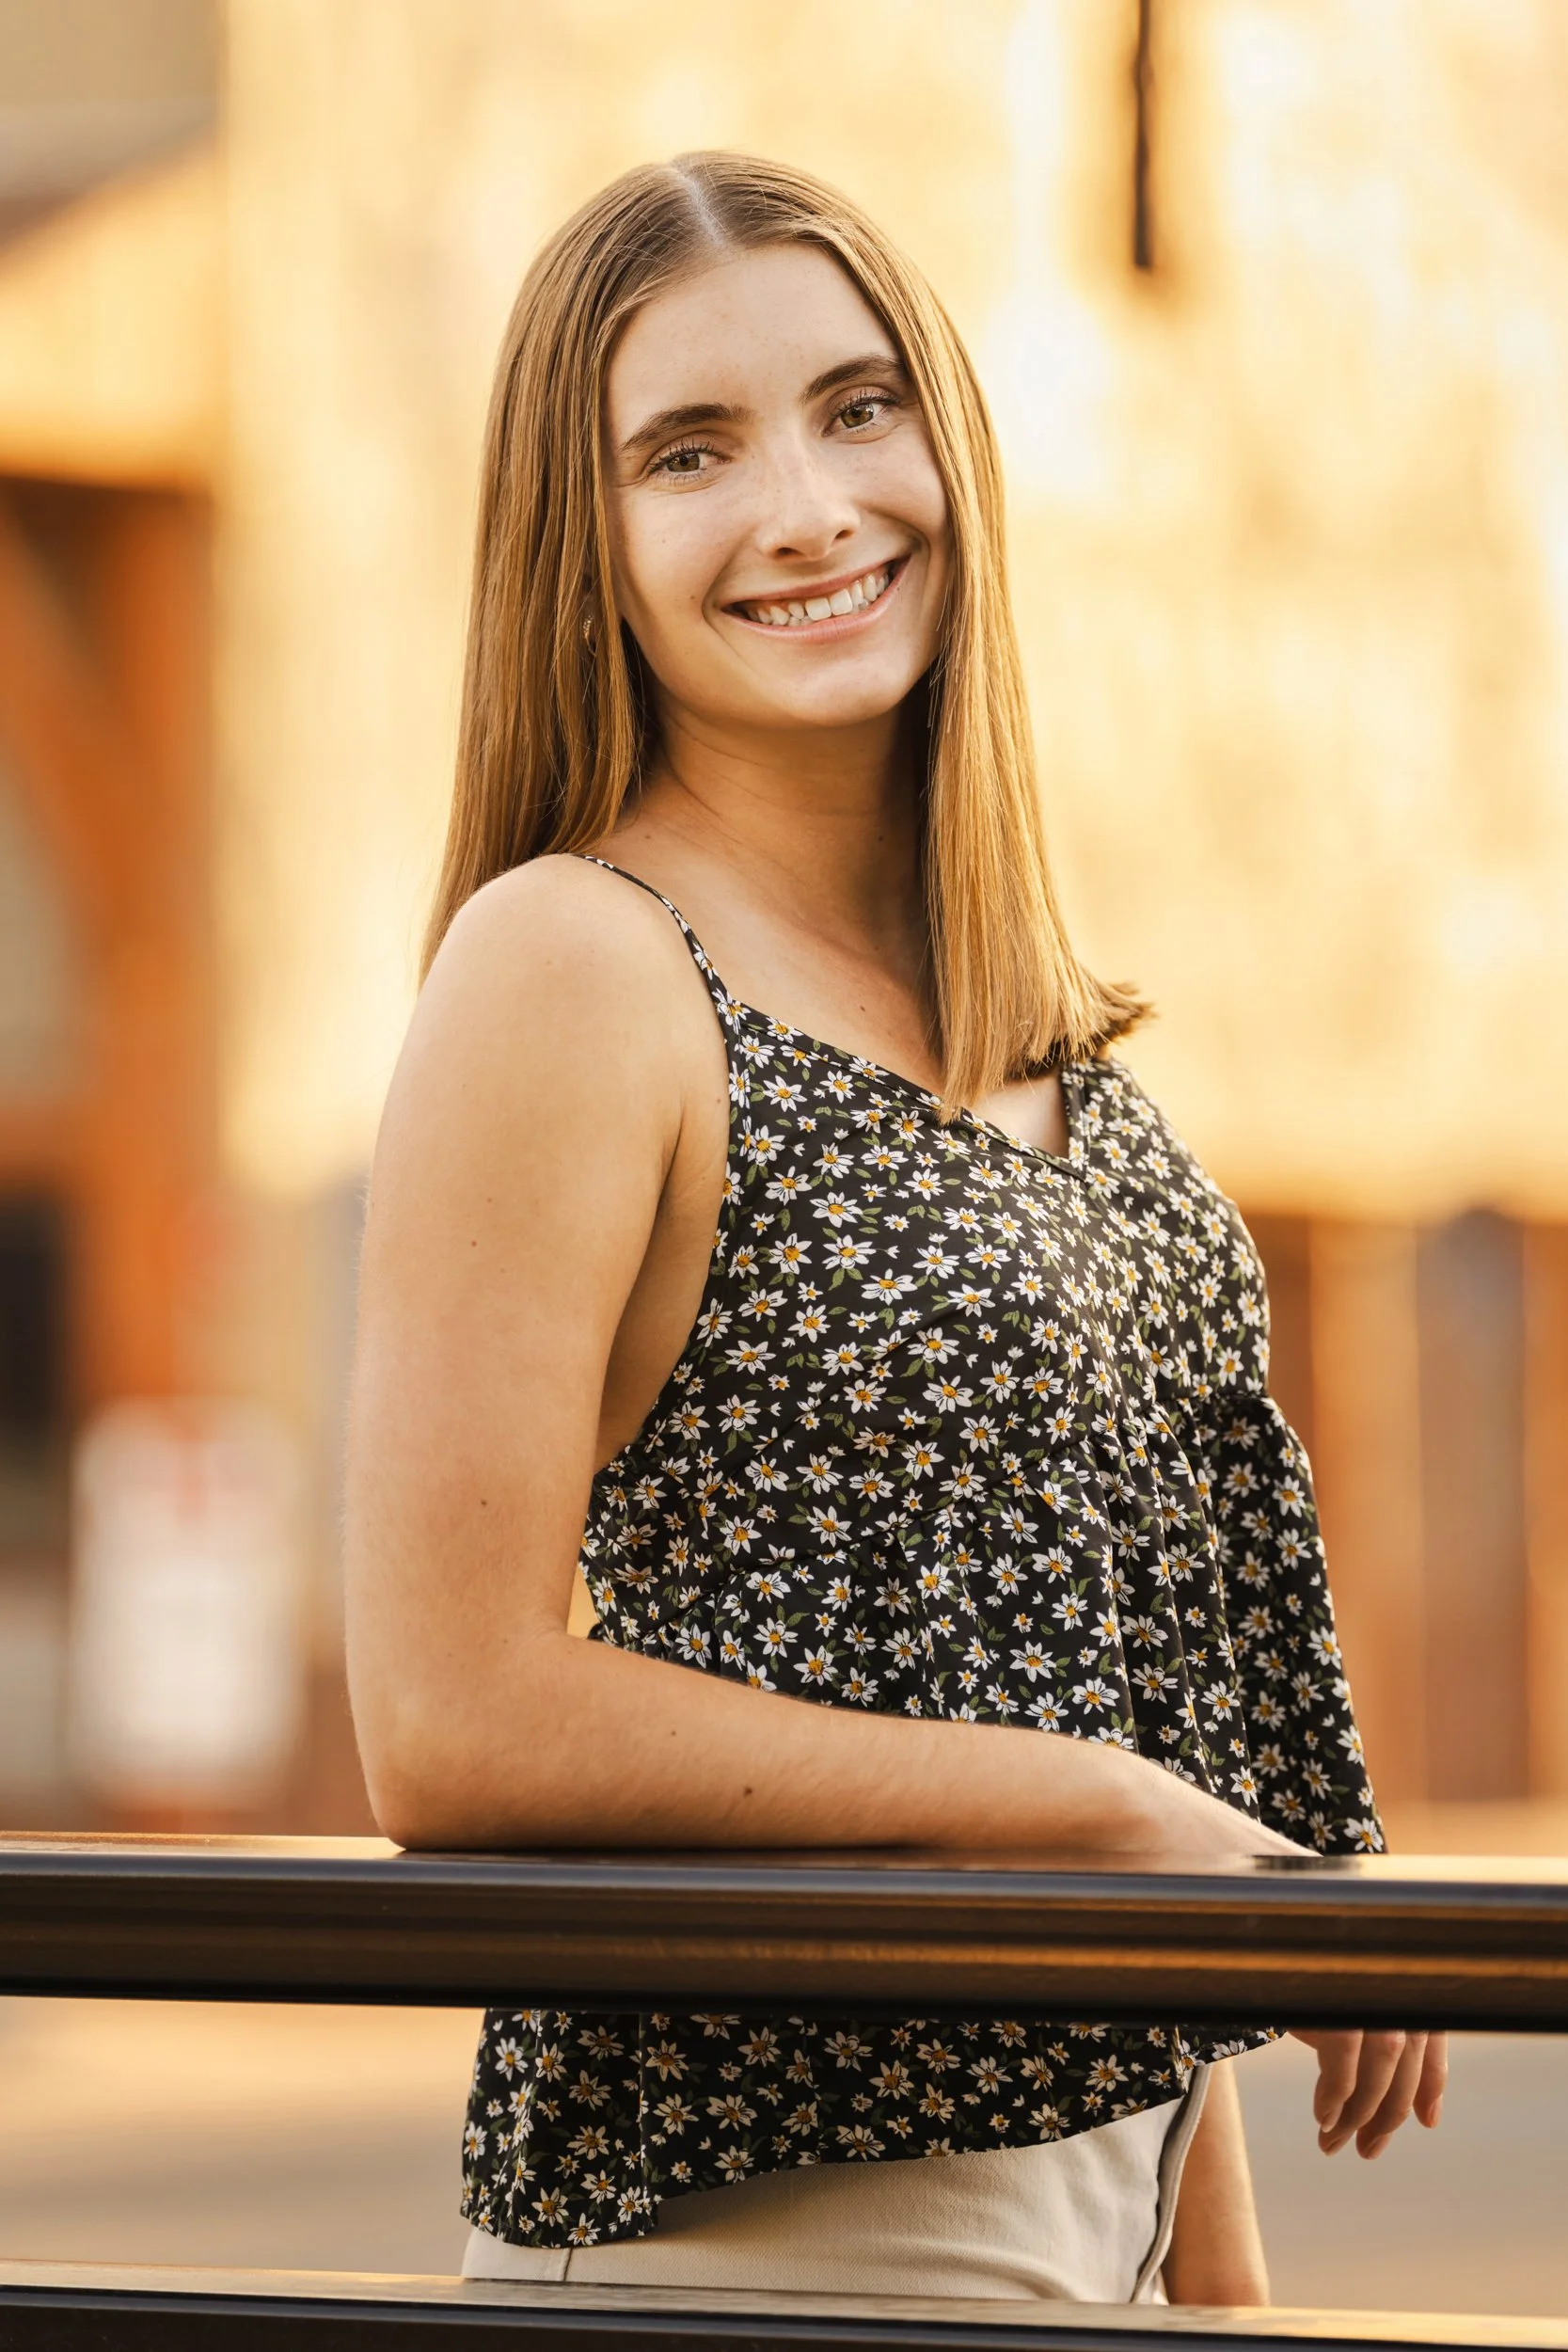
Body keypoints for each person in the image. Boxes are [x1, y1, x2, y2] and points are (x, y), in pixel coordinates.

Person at [343, 151, 1446, 2307]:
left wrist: (1210, 2289)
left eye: (859, 407)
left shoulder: (1032, 1027)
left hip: (1088, 2235)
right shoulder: (574, 958)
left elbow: (1095, 1677)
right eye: (689, 449)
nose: (807, 506)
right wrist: (1104, 1810)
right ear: (590, 546)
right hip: (755, 2253)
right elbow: (450, 1712)